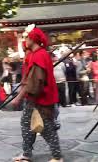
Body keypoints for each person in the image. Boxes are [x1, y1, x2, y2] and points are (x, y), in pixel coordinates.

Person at [11, 25, 63, 162]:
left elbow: (35, 82)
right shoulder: (38, 54)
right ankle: (27, 154)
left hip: (39, 99)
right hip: (35, 98)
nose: (25, 40)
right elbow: (30, 79)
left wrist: (19, 97)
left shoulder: (39, 55)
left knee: (46, 128)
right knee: (27, 124)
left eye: (27, 37)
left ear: (33, 39)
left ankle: (57, 157)